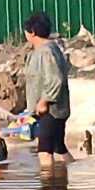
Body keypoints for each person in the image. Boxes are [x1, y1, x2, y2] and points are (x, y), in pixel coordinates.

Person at [23, 12, 74, 167]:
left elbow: (55, 79)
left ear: (31, 32)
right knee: (59, 149)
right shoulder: (49, 49)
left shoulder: (46, 51)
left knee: (44, 151)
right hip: (53, 109)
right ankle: (69, 178)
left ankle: (48, 188)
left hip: (50, 110)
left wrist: (44, 101)